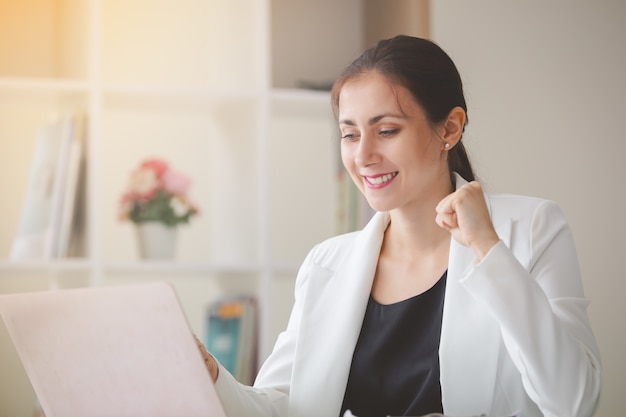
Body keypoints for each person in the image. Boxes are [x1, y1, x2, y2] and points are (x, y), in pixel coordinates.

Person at [195, 35, 601, 417]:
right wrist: (211, 374)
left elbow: (574, 400)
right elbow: (287, 405)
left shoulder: (530, 229)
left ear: (450, 128)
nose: (364, 155)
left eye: (386, 130)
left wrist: (488, 249)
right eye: (350, 135)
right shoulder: (327, 262)